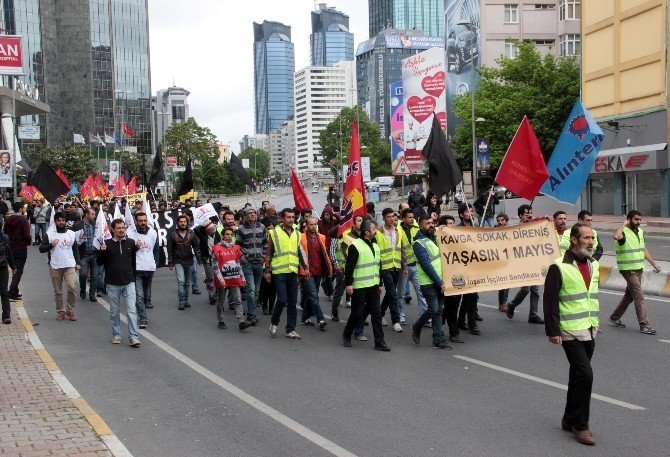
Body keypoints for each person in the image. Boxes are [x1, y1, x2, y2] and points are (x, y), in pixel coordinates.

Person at [543, 223, 599, 445]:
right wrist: (553, 331)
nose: (591, 241)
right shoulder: (559, 266)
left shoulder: (593, 264)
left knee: (578, 376)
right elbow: (550, 301)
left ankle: (568, 418)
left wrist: (594, 322)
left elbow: (589, 297)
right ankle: (581, 425)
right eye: (586, 238)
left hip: (589, 328)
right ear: (574, 240)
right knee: (585, 375)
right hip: (568, 331)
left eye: (592, 238)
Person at [609, 210, 660, 335]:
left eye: (640, 220)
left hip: (638, 268)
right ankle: (644, 325)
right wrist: (623, 224)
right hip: (628, 269)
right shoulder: (623, 232)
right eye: (636, 219)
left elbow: (642, 249)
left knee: (629, 296)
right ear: (629, 219)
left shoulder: (640, 232)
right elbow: (616, 236)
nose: (638, 222)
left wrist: (653, 264)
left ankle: (614, 317)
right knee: (639, 296)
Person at [342, 220, 390, 351]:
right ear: (367, 232)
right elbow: (349, 267)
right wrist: (349, 284)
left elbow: (377, 266)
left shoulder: (375, 246)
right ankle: (347, 333)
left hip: (373, 286)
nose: (377, 230)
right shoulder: (355, 246)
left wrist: (380, 283)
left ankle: (379, 342)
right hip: (359, 286)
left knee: (377, 314)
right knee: (357, 313)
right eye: (374, 229)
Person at [97, 219, 141, 347]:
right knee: (114, 312)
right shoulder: (106, 244)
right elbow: (99, 263)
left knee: (131, 310)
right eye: (118, 228)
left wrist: (133, 277)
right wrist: (102, 251)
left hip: (129, 282)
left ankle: (133, 336)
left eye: (123, 228)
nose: (121, 230)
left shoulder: (131, 243)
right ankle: (116, 334)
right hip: (112, 284)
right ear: (112, 229)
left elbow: (133, 262)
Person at [411, 215, 452, 349]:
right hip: (428, 282)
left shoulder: (435, 237)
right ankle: (417, 326)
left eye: (432, 222)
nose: (431, 225)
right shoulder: (418, 243)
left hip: (440, 279)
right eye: (427, 223)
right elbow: (426, 265)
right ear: (420, 225)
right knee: (433, 309)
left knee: (439, 310)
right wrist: (439, 282)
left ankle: (438, 339)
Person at [265, 208, 306, 339]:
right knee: (282, 299)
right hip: (278, 271)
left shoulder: (298, 233)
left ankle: (290, 329)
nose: (291, 219)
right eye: (288, 217)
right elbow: (269, 253)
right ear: (282, 218)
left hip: (293, 271)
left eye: (293, 217)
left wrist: (305, 267)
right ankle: (274, 322)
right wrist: (267, 271)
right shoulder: (273, 233)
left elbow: (299, 252)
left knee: (293, 302)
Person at [505, 204, 545, 324]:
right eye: (526, 213)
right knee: (525, 289)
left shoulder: (536, 226)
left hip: (535, 262)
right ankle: (511, 305)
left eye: (530, 213)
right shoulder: (515, 229)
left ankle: (533, 314)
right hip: (522, 263)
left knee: (535, 290)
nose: (529, 215)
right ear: (521, 215)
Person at [39, 213, 80, 321]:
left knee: (72, 287)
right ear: (55, 222)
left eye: (63, 220)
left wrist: (78, 262)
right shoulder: (49, 234)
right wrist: (51, 244)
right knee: (58, 291)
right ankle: (61, 311)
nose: (61, 222)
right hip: (55, 265)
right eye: (59, 220)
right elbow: (41, 249)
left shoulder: (71, 233)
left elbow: (75, 249)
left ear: (65, 221)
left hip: (69, 265)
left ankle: (70, 310)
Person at [212, 227, 252, 331]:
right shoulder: (217, 248)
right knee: (221, 301)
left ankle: (241, 322)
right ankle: (220, 320)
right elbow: (215, 266)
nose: (229, 236)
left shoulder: (236, 248)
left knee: (238, 300)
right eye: (227, 234)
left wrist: (242, 277)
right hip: (222, 279)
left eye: (231, 234)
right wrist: (220, 278)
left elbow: (238, 264)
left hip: (234, 278)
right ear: (223, 235)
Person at [375, 208, 405, 333]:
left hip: (396, 266)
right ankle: (396, 321)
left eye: (393, 216)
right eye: (388, 217)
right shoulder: (378, 232)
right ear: (384, 218)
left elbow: (403, 247)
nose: (392, 219)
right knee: (393, 293)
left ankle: (380, 314)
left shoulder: (399, 231)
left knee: (390, 294)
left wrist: (405, 265)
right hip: (384, 267)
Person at [299, 217, 331, 330]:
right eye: (311, 224)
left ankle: (304, 318)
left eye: (315, 224)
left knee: (311, 295)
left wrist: (329, 268)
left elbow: (325, 255)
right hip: (306, 272)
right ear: (306, 225)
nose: (313, 226)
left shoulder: (322, 237)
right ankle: (321, 319)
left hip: (318, 271)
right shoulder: (301, 237)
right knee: (313, 295)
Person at [455, 203, 482, 335]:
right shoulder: (456, 229)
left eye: (471, 211)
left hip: (475, 267)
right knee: (468, 296)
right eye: (467, 211)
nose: (470, 213)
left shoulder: (476, 226)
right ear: (461, 214)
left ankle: (464, 321)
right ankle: (471, 324)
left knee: (471, 296)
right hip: (462, 267)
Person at [236, 208, 266, 324]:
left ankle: (251, 312)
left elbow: (265, 243)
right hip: (247, 263)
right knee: (250, 289)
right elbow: (237, 246)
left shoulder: (262, 227)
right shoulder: (241, 229)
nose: (252, 215)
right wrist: (243, 259)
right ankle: (252, 314)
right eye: (250, 213)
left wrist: (263, 256)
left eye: (254, 213)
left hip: (259, 262)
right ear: (246, 216)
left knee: (256, 291)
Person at [129, 211, 158, 329]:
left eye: (144, 220)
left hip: (149, 267)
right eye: (140, 221)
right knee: (139, 295)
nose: (143, 223)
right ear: (136, 221)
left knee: (146, 296)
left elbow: (156, 250)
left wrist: (155, 263)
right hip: (137, 268)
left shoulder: (153, 233)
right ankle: (143, 318)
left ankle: (143, 308)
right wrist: (135, 248)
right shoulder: (131, 233)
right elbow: (128, 252)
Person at [397, 208, 426, 325]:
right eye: (409, 217)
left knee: (421, 292)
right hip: (404, 266)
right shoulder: (398, 230)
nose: (412, 219)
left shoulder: (416, 228)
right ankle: (400, 316)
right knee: (401, 294)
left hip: (416, 265)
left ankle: (424, 317)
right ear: (403, 219)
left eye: (412, 217)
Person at [167, 214, 202, 310]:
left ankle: (186, 300)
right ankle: (181, 301)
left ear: (187, 223)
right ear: (178, 223)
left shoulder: (191, 233)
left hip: (189, 261)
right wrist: (170, 262)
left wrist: (199, 259)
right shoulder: (173, 234)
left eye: (184, 222)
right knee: (181, 282)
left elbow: (196, 246)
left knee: (187, 283)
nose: (183, 223)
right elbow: (169, 249)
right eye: (181, 222)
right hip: (178, 261)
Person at [5, 202, 31, 301]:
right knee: (18, 270)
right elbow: (27, 235)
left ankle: (15, 291)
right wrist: (28, 242)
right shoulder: (23, 220)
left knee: (14, 268)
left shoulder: (8, 219)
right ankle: (12, 292)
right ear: (20, 209)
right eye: (23, 208)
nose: (24, 209)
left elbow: (5, 233)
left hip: (10, 247)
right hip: (20, 247)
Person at [194, 219, 222, 306]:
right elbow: (195, 229)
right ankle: (212, 295)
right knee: (210, 277)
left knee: (218, 277)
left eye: (213, 229)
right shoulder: (202, 235)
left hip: (218, 258)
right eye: (210, 230)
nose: (212, 231)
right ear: (206, 230)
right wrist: (204, 225)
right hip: (207, 258)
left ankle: (217, 293)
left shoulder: (217, 234)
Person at [77, 208, 99, 302]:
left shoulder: (96, 225)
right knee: (83, 274)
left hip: (95, 254)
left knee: (95, 275)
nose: (94, 216)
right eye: (92, 214)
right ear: (86, 214)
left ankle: (92, 294)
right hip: (84, 255)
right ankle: (82, 289)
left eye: (94, 214)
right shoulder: (78, 225)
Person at [258, 216, 276, 315]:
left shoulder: (276, 238)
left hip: (275, 266)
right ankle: (265, 305)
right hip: (264, 266)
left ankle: (272, 307)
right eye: (268, 229)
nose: (270, 231)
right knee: (266, 287)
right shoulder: (261, 238)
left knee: (274, 289)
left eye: (272, 229)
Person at [0, 219, 15, 324]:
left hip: (3, 267)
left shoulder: (5, 238)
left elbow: (9, 253)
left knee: (4, 291)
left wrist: (13, 267)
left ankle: (6, 316)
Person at [495, 213, 511, 312]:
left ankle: (503, 303)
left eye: (502, 220)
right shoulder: (494, 230)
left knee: (508, 282)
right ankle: (502, 304)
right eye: (498, 220)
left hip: (508, 259)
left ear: (506, 221)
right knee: (502, 283)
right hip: (498, 260)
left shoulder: (510, 231)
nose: (500, 222)